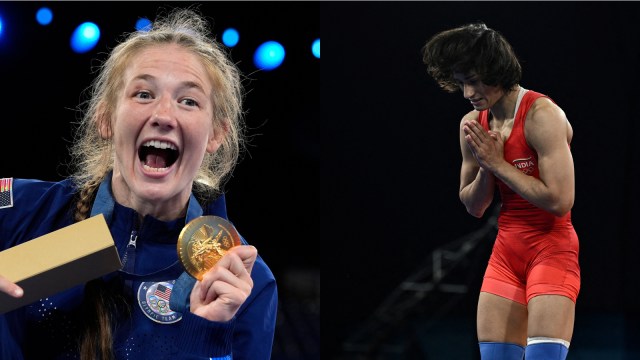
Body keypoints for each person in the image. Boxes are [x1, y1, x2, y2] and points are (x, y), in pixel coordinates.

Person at [0, 7, 277, 360]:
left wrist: (207, 332)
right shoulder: (18, 209)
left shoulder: (246, 284)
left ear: (216, 134)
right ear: (106, 119)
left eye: (188, 101)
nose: (163, 115)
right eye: (143, 94)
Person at [421, 23, 580, 360]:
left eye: (475, 81)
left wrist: (498, 163)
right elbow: (474, 206)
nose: (468, 93)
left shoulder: (542, 116)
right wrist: (487, 168)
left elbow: (560, 200)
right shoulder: (472, 124)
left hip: (551, 249)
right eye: (462, 83)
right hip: (507, 251)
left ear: (498, 71)